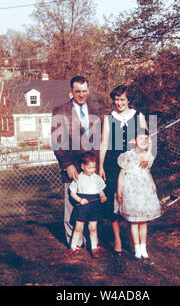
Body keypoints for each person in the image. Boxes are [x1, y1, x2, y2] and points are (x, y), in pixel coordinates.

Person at [51, 76, 104, 250]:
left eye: (84, 91)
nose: (81, 95)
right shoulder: (60, 110)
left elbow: (105, 139)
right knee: (72, 205)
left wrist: (100, 165)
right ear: (71, 91)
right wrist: (67, 164)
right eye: (77, 91)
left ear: (88, 90)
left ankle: (92, 242)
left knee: (93, 203)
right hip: (72, 165)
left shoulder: (98, 109)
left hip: (92, 167)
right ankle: (75, 244)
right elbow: (57, 141)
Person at [99, 85, 150, 256]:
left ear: (128, 100)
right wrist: (100, 167)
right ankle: (117, 240)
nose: (119, 102)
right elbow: (104, 143)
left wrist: (147, 156)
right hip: (112, 164)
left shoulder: (138, 116)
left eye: (122, 99)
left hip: (133, 163)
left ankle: (133, 240)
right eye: (116, 99)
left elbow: (147, 139)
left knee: (132, 200)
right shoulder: (108, 118)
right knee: (114, 201)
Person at [116, 129, 161, 260]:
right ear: (134, 141)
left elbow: (147, 172)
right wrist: (119, 190)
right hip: (131, 191)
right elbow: (122, 174)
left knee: (143, 222)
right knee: (134, 222)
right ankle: (136, 248)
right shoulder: (127, 155)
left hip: (144, 191)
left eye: (146, 140)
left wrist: (153, 183)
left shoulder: (148, 157)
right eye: (141, 139)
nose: (144, 142)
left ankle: (143, 247)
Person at [68, 152, 107, 258]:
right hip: (82, 206)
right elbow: (72, 192)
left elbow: (100, 191)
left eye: (94, 167)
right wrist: (80, 200)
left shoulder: (97, 178)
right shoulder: (78, 178)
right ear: (83, 166)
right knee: (78, 227)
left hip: (94, 206)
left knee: (93, 227)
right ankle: (73, 247)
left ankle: (94, 248)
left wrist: (102, 196)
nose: (92, 169)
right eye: (89, 168)